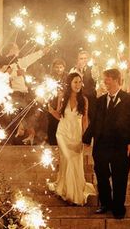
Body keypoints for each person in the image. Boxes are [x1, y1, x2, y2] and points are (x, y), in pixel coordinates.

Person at [83, 68, 130, 219]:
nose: (105, 82)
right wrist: (86, 138)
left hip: (121, 146)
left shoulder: (129, 99)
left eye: (107, 79)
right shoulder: (101, 100)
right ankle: (105, 203)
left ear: (116, 80)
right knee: (102, 176)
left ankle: (118, 207)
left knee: (119, 177)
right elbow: (95, 122)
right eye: (104, 79)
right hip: (102, 145)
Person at [48, 73, 96, 205]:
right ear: (70, 83)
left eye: (80, 82)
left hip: (76, 134)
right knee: (67, 160)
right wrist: (51, 111)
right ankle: (69, 194)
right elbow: (60, 115)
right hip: (63, 133)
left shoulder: (84, 100)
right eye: (75, 82)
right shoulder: (63, 98)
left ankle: (71, 188)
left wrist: (86, 137)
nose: (78, 85)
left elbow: (85, 119)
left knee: (75, 162)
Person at [70, 50, 97, 122]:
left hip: (90, 98)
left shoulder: (92, 68)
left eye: (85, 58)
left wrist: (94, 64)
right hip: (79, 97)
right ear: (77, 60)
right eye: (81, 58)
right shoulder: (73, 70)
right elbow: (70, 82)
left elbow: (96, 77)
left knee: (90, 119)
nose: (83, 60)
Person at [47, 58, 67, 145]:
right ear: (53, 68)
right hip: (52, 104)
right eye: (57, 67)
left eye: (61, 67)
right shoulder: (50, 77)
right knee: (52, 126)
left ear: (64, 67)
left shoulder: (67, 77)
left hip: (64, 105)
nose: (59, 69)